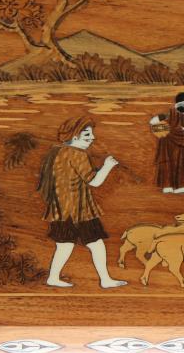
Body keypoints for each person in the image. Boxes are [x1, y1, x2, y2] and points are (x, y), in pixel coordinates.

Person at [37, 115, 127, 288]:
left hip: (61, 209)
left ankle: (55, 277)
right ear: (75, 136)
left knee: (68, 245)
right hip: (78, 210)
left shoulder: (57, 152)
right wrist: (107, 166)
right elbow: (94, 181)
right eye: (87, 135)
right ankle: (105, 280)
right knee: (93, 244)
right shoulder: (77, 155)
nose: (92, 138)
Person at [150, 91, 184, 193]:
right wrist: (163, 129)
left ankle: (177, 187)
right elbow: (153, 121)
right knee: (168, 163)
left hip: (178, 145)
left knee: (178, 163)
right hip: (168, 144)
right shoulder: (173, 113)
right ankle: (168, 186)